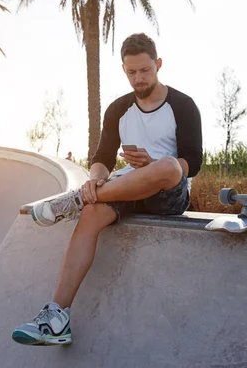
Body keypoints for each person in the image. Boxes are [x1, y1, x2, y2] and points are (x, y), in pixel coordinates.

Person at [11, 33, 203, 346]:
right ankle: (57, 317)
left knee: (168, 166)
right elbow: (102, 158)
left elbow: (192, 162)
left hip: (168, 192)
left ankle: (72, 201)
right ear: (124, 70)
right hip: (125, 188)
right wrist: (95, 179)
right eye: (131, 73)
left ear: (158, 64)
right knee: (91, 214)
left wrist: (154, 165)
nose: (139, 78)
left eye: (145, 71)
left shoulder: (182, 105)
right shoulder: (118, 109)